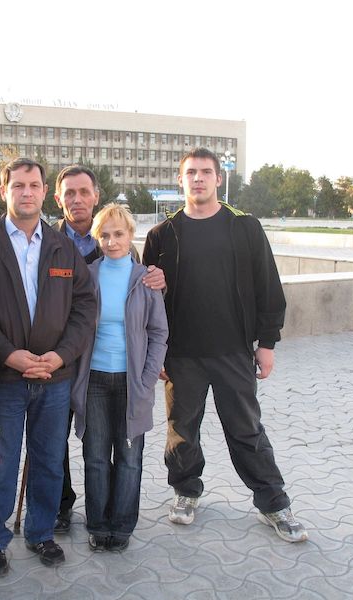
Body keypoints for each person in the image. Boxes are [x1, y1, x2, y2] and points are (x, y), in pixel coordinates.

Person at [143, 148, 308, 543]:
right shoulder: (162, 234)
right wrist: (155, 351)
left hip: (233, 351)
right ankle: (186, 491)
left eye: (206, 172)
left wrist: (267, 343)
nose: (198, 179)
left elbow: (269, 287)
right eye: (191, 173)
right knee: (182, 431)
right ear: (181, 180)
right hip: (181, 355)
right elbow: (147, 301)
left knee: (246, 429)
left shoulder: (244, 227)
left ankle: (273, 502)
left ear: (218, 179)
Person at [0, 158, 96, 577]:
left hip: (54, 378)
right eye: (18, 185)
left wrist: (62, 355)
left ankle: (41, 532)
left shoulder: (62, 246)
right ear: (4, 191)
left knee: (49, 461)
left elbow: (85, 305)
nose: (27, 192)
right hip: (5, 378)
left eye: (34, 185)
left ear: (43, 192)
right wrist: (7, 354)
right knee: (0, 464)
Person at [51, 164, 165, 534]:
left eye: (119, 234)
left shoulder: (145, 279)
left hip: (132, 381)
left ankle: (123, 524)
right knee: (96, 457)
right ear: (97, 239)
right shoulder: (89, 276)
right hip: (94, 381)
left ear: (131, 235)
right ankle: (98, 524)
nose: (112, 241)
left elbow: (158, 332)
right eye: (105, 235)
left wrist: (148, 378)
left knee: (129, 457)